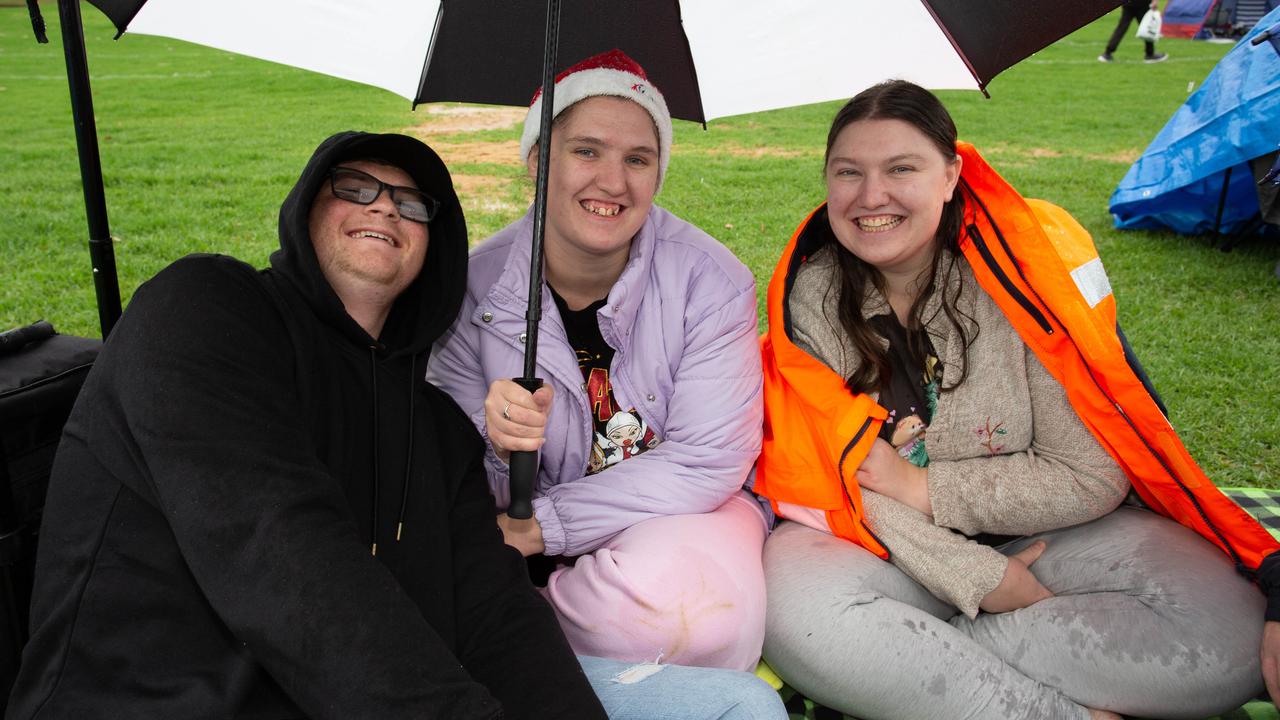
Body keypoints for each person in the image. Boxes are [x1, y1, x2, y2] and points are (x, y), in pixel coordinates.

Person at [4, 131, 610, 719]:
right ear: (304, 207)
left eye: (412, 204)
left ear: (436, 244)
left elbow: (497, 616)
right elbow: (280, 548)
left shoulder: (439, 431)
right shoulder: (204, 313)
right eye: (354, 186)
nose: (383, 206)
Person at [753, 80, 1280, 720]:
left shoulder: (1023, 279)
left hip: (1056, 539)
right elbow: (842, 485)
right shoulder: (809, 296)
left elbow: (1090, 474)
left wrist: (927, 489)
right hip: (885, 549)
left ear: (951, 174)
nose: (871, 197)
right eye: (848, 173)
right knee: (796, 612)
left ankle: (917, 670)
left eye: (901, 169)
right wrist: (980, 578)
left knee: (1230, 631)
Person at [428, 50, 774, 681]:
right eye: (586, 151)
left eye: (638, 159)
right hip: (514, 522)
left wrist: (549, 529)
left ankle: (515, 636)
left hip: (673, 513)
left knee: (692, 618)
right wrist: (495, 439)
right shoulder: (471, 287)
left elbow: (709, 458)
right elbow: (445, 470)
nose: (614, 182)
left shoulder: (710, 280)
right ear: (538, 162)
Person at [1099, 0, 1168, 63]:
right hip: (1142, 3)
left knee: (1122, 27)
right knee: (1147, 27)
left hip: (1128, 3)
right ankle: (1150, 54)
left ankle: (1107, 53)